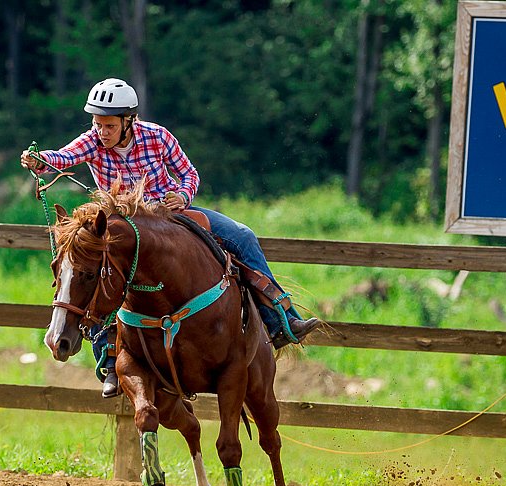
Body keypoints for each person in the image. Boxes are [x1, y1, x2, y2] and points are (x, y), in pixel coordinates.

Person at [22, 78, 320, 397]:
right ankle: (109, 364)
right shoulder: (92, 141)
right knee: (94, 273)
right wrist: (41, 161)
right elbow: (63, 157)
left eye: (109, 125)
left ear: (128, 122)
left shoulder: (158, 136)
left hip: (167, 216)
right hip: (120, 226)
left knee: (242, 235)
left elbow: (190, 175)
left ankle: (281, 319)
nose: (101, 132)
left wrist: (181, 195)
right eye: (97, 124)